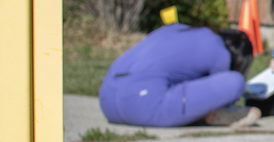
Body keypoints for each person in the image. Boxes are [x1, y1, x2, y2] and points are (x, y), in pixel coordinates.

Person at [99, 24, 260, 128]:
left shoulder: (175, 28)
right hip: (141, 106)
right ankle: (209, 117)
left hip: (107, 100)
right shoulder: (221, 53)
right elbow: (222, 95)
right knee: (235, 82)